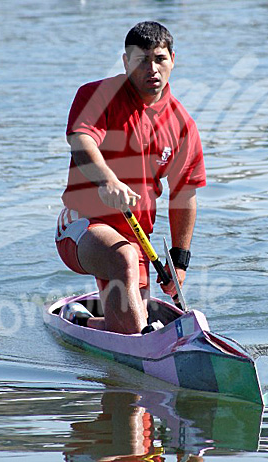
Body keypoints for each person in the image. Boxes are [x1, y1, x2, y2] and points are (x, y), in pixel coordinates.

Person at [55, 21, 206, 335]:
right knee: (123, 257)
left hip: (137, 238)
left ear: (173, 60)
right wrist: (107, 181)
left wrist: (179, 261)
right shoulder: (97, 95)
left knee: (129, 328)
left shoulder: (183, 125)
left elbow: (184, 194)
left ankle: (81, 320)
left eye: (159, 59)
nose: (152, 69)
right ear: (126, 62)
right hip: (82, 225)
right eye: (141, 60)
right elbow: (81, 141)